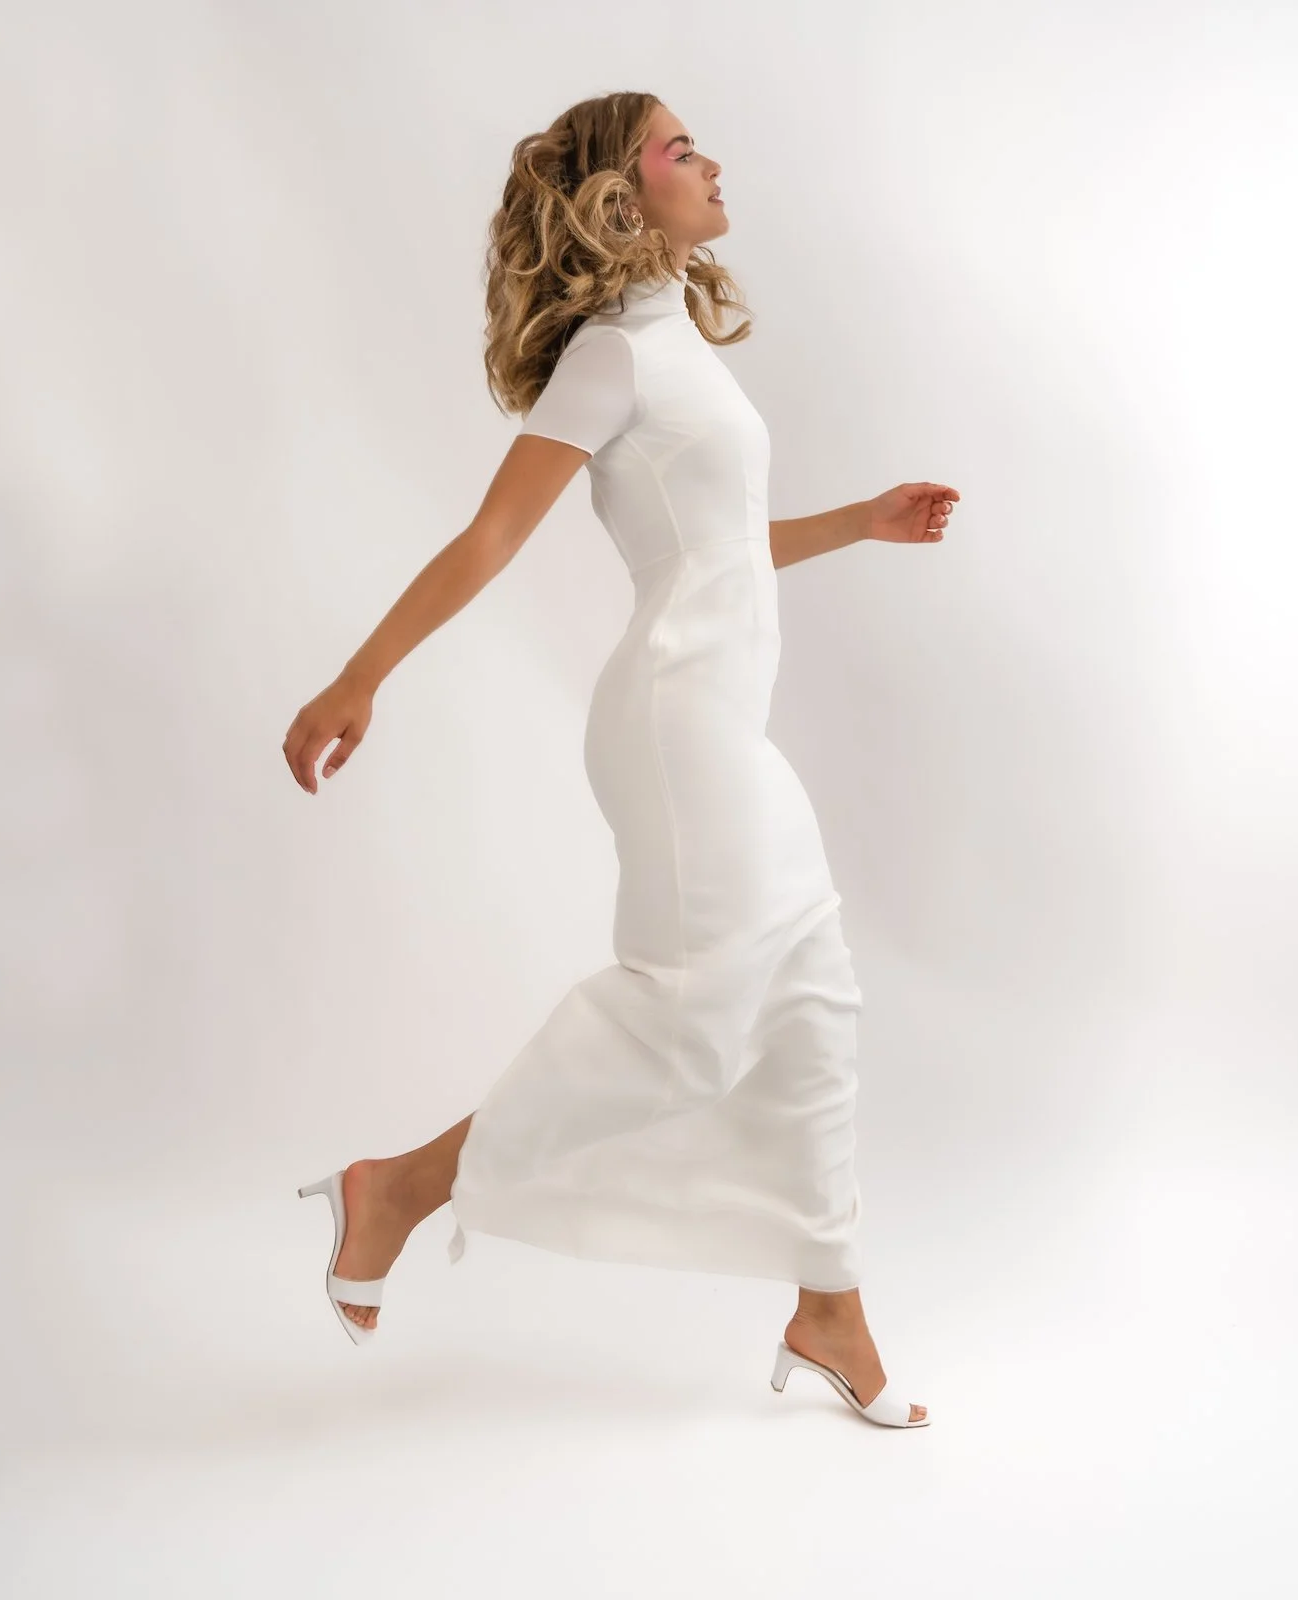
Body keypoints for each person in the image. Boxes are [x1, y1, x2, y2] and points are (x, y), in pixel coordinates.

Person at [283, 93, 958, 1429]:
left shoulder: (676, 341)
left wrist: (860, 523)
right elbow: (491, 537)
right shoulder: (611, 355)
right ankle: (396, 1191)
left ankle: (830, 1306)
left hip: (728, 725)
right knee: (689, 1023)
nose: (710, 162)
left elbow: (721, 550)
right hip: (674, 724)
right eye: (679, 149)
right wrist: (360, 676)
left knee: (813, 996)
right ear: (618, 190)